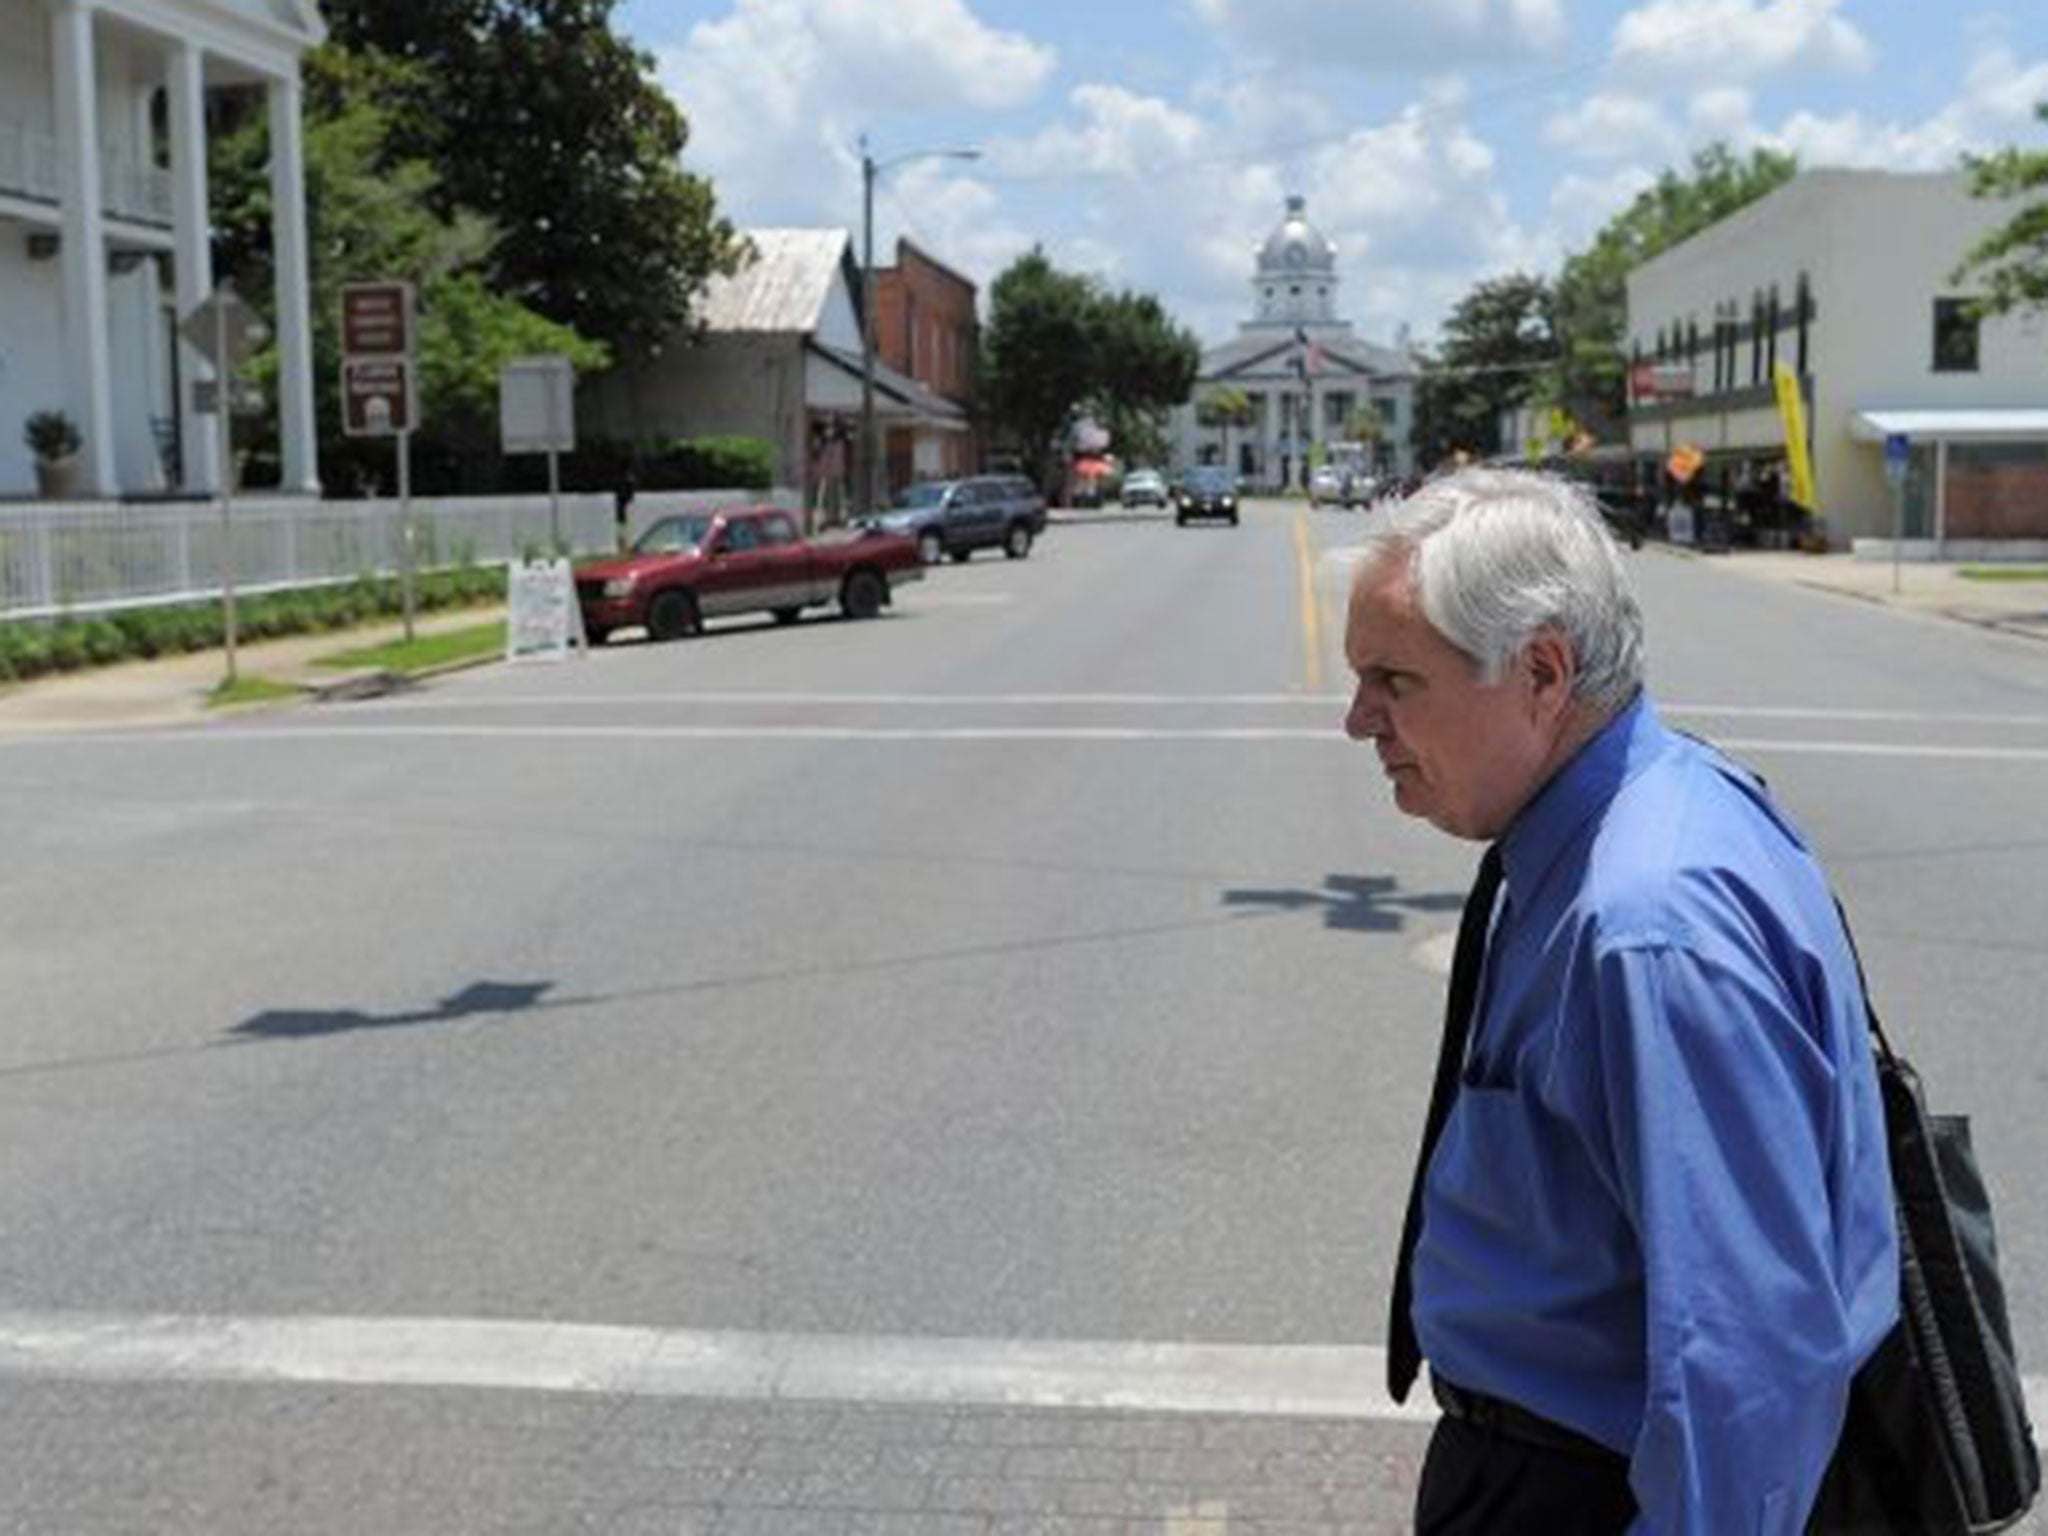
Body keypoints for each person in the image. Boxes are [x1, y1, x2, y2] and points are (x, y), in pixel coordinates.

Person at [1345, 468, 1898, 1534]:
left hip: (1581, 1491)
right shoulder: (1640, 807)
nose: (1356, 719)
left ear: (1540, 673)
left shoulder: (1646, 926)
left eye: (1393, 681)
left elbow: (1746, 1366)